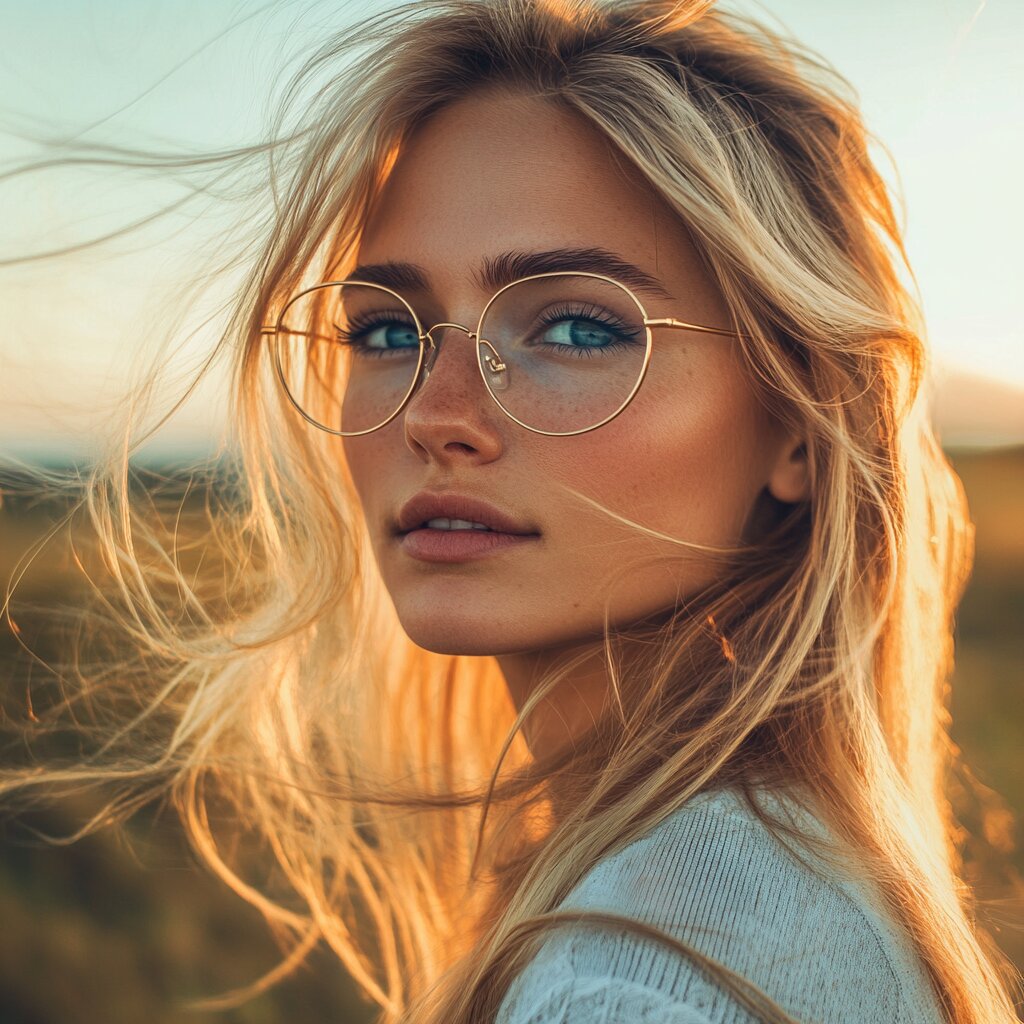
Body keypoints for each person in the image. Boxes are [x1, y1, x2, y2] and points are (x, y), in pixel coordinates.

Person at [1, 1, 1019, 1022]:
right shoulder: (776, 879)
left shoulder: (636, 985)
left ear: (797, 425)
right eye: (388, 332)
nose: (438, 416)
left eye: (576, 326)